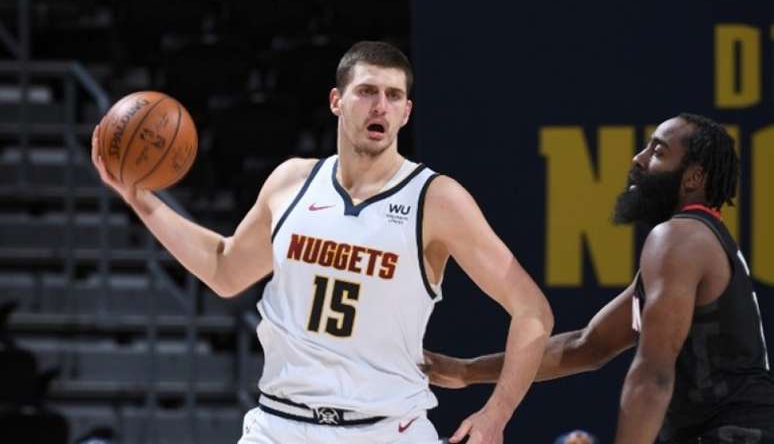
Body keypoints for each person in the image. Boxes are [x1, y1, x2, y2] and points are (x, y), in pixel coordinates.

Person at [90, 41, 554, 444]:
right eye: (367, 91)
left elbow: (532, 310)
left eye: (394, 96)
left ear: (407, 112)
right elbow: (224, 269)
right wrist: (141, 199)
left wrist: (498, 412)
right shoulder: (291, 182)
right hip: (280, 424)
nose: (381, 106)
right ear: (336, 100)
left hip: (386, 427)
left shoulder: (436, 199)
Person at [424, 114, 774, 443]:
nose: (638, 159)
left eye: (658, 152)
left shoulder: (679, 238)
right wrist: (466, 371)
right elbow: (587, 346)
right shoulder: (695, 241)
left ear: (693, 178)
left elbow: (653, 374)